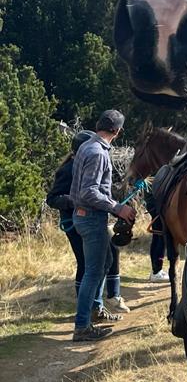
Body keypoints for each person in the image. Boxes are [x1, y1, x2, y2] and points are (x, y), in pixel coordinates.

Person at [46, 131, 130, 317]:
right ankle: (86, 308)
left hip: (90, 218)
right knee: (86, 264)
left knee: (109, 254)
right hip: (73, 222)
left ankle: (104, 301)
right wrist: (73, 201)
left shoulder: (88, 163)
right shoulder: (68, 169)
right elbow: (52, 198)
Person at [70, 110, 136, 342]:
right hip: (91, 218)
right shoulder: (98, 153)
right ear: (117, 131)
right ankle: (82, 327)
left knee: (105, 262)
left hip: (85, 216)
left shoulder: (87, 147)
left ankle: (95, 311)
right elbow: (89, 192)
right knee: (94, 271)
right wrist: (118, 208)